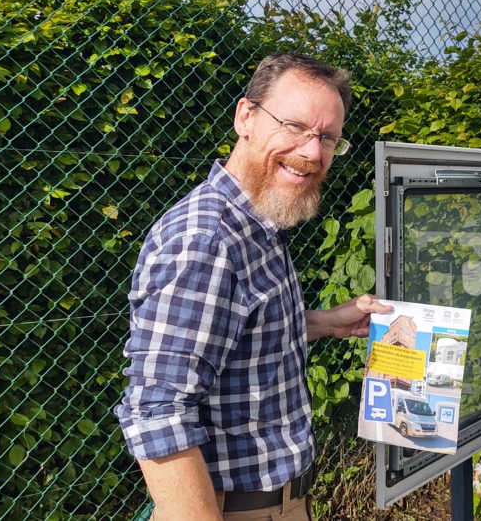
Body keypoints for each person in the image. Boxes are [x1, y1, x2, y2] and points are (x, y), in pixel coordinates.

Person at [114, 52, 392, 521]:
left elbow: (233, 341)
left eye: (327, 138)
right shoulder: (207, 239)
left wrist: (327, 323)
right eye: (295, 126)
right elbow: (157, 412)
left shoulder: (259, 223)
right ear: (246, 117)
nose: (311, 152)